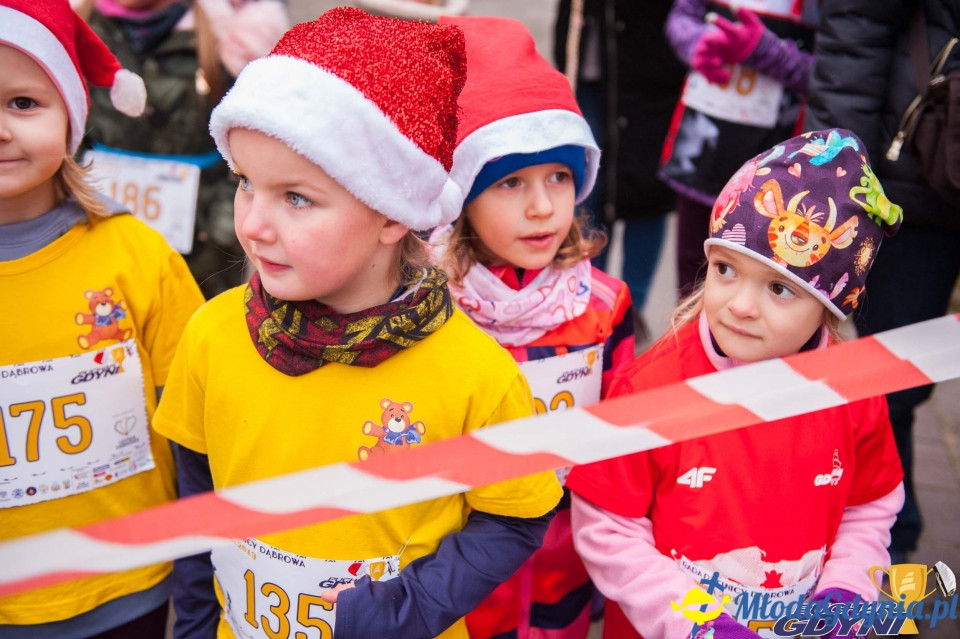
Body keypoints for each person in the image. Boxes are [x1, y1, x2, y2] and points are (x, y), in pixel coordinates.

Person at [151, 8, 563, 639]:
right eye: (245, 184)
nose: (254, 225)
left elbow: (515, 516)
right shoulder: (212, 334)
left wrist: (412, 607)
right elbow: (197, 491)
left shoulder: (474, 373)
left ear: (392, 212)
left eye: (295, 197)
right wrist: (197, 621)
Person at [566, 129, 906, 638]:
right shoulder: (650, 390)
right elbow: (608, 529)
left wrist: (847, 592)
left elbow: (869, 509)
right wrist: (698, 624)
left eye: (778, 288)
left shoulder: (853, 392)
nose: (740, 305)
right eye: (726, 269)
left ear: (831, 305)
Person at [0, 0, 205, 636]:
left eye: (23, 103)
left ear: (72, 116)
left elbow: (197, 414)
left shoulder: (135, 254)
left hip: (128, 589)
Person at [429, 16, 634, 638]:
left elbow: (622, 442)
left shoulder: (605, 304)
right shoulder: (427, 312)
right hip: (460, 581)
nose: (543, 206)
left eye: (559, 178)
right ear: (462, 197)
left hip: (562, 573)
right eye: (510, 182)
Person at [804, 0, 960, 565]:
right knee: (889, 374)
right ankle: (887, 521)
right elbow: (855, 33)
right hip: (913, 169)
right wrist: (837, 171)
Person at [75, 0, 289, 299]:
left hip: (200, 259)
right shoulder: (73, 26)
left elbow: (262, 148)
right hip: (93, 240)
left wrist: (223, 231)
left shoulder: (232, 36)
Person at [662, 0, 818, 297]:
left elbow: (836, 71)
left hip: (776, 172)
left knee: (759, 285)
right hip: (701, 157)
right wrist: (699, 43)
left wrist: (768, 53)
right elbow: (681, 15)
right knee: (692, 279)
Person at [553, 0, 686, 338]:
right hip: (587, 71)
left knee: (646, 191)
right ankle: (591, 299)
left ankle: (632, 307)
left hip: (651, 74)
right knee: (587, 188)